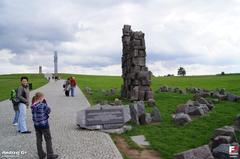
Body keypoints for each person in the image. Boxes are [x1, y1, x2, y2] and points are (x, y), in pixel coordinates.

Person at [31, 92, 58, 159]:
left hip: (36, 125)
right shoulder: (43, 105)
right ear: (40, 98)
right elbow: (49, 111)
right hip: (44, 124)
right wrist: (45, 104)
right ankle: (50, 155)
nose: (44, 99)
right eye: (43, 98)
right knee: (48, 139)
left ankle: (41, 154)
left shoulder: (33, 106)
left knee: (39, 140)